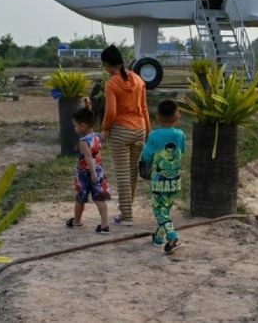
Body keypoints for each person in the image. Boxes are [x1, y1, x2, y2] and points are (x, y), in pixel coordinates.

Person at [100, 45, 150, 226]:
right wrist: (148, 131)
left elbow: (111, 111)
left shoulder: (112, 83)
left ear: (107, 64)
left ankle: (126, 215)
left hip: (121, 131)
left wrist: (105, 128)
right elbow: (144, 108)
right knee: (132, 171)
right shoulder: (138, 80)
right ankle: (128, 208)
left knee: (122, 172)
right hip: (140, 129)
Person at [140, 99, 186, 253]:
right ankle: (159, 238)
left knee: (159, 211)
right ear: (177, 116)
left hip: (159, 182)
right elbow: (182, 151)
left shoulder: (153, 135)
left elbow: (146, 157)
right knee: (165, 210)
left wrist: (143, 149)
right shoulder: (180, 134)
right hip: (175, 181)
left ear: (158, 117)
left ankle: (173, 237)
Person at [66, 106, 111, 234]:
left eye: (75, 125)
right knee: (99, 198)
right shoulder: (97, 136)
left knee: (81, 197)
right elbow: (105, 133)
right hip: (99, 171)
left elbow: (88, 157)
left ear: (83, 126)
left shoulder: (83, 141)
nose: (74, 128)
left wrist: (91, 173)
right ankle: (104, 225)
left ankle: (77, 221)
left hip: (86, 173)